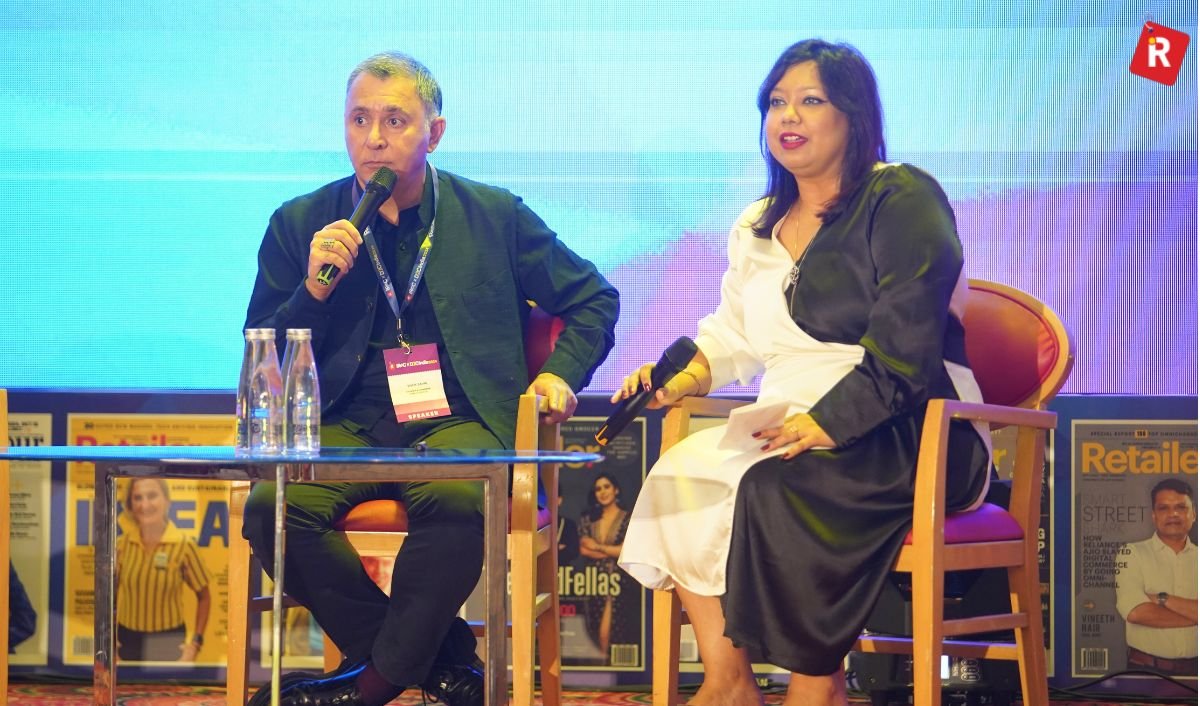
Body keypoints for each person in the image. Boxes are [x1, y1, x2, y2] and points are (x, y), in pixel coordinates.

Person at [613, 39, 992, 706]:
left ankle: (816, 685)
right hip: (790, 420)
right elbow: (734, 335)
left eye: (810, 101)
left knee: (778, 485)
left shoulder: (902, 197)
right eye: (776, 102)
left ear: (853, 115)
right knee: (680, 475)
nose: (787, 116)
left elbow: (907, 347)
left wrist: (828, 423)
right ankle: (729, 682)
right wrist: (682, 377)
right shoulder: (757, 224)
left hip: (912, 422)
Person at [241, 51, 618, 706]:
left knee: (461, 498)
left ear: (434, 133)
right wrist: (312, 291)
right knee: (271, 509)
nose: (374, 139)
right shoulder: (300, 223)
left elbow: (594, 299)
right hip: (342, 426)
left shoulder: (494, 215)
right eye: (359, 119)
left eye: (395, 121)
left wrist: (559, 375)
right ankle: (440, 662)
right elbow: (261, 355)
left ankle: (368, 686)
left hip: (457, 423)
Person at [114, 478, 211, 662]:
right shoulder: (121, 545)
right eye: (137, 498)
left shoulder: (184, 545)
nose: (145, 504)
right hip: (127, 640)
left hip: (169, 641)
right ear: (130, 505)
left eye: (152, 496)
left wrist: (195, 644)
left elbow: (204, 598)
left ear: (167, 501)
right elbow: (109, 598)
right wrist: (109, 643)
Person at [1114, 478, 1198, 676]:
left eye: (1181, 507)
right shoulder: (1130, 553)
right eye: (1163, 508)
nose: (1173, 514)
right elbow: (1136, 612)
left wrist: (1163, 599)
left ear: (1193, 514)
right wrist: (1195, 616)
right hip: (1146, 670)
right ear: (1154, 515)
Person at [577, 471, 633, 661]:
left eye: (606, 487)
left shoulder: (627, 518)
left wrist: (598, 547)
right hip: (593, 580)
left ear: (616, 490)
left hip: (619, 581)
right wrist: (612, 550)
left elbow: (625, 551)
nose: (602, 492)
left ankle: (608, 662)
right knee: (593, 624)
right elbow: (584, 549)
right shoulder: (589, 518)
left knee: (613, 627)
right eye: (598, 489)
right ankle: (601, 663)